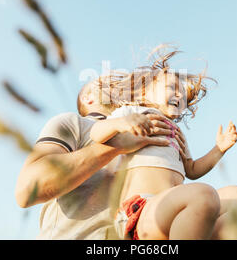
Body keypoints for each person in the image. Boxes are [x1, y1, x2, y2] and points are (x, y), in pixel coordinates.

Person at [89, 50, 237, 240]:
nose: (179, 95)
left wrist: (219, 149)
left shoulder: (176, 132)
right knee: (203, 195)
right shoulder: (133, 112)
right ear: (144, 91)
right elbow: (96, 133)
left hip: (175, 214)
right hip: (141, 211)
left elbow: (192, 169)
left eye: (182, 93)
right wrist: (121, 123)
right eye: (172, 87)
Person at [14, 80, 173, 239]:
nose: (120, 84)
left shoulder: (150, 130)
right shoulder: (75, 122)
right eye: (109, 82)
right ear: (87, 97)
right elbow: (27, 190)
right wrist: (115, 146)